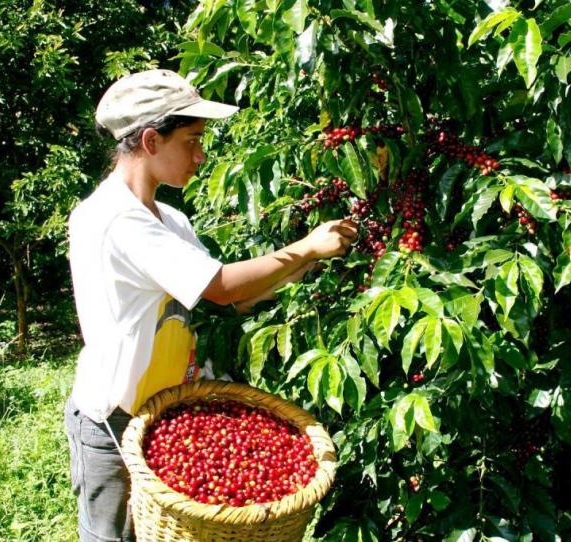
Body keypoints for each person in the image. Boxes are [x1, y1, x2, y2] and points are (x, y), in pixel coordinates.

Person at [63, 69, 357, 542]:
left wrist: (306, 269)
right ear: (152, 141)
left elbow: (223, 303)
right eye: (193, 140)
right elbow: (222, 286)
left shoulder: (170, 221)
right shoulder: (115, 219)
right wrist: (304, 248)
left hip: (166, 408)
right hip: (113, 417)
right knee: (110, 537)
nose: (201, 156)